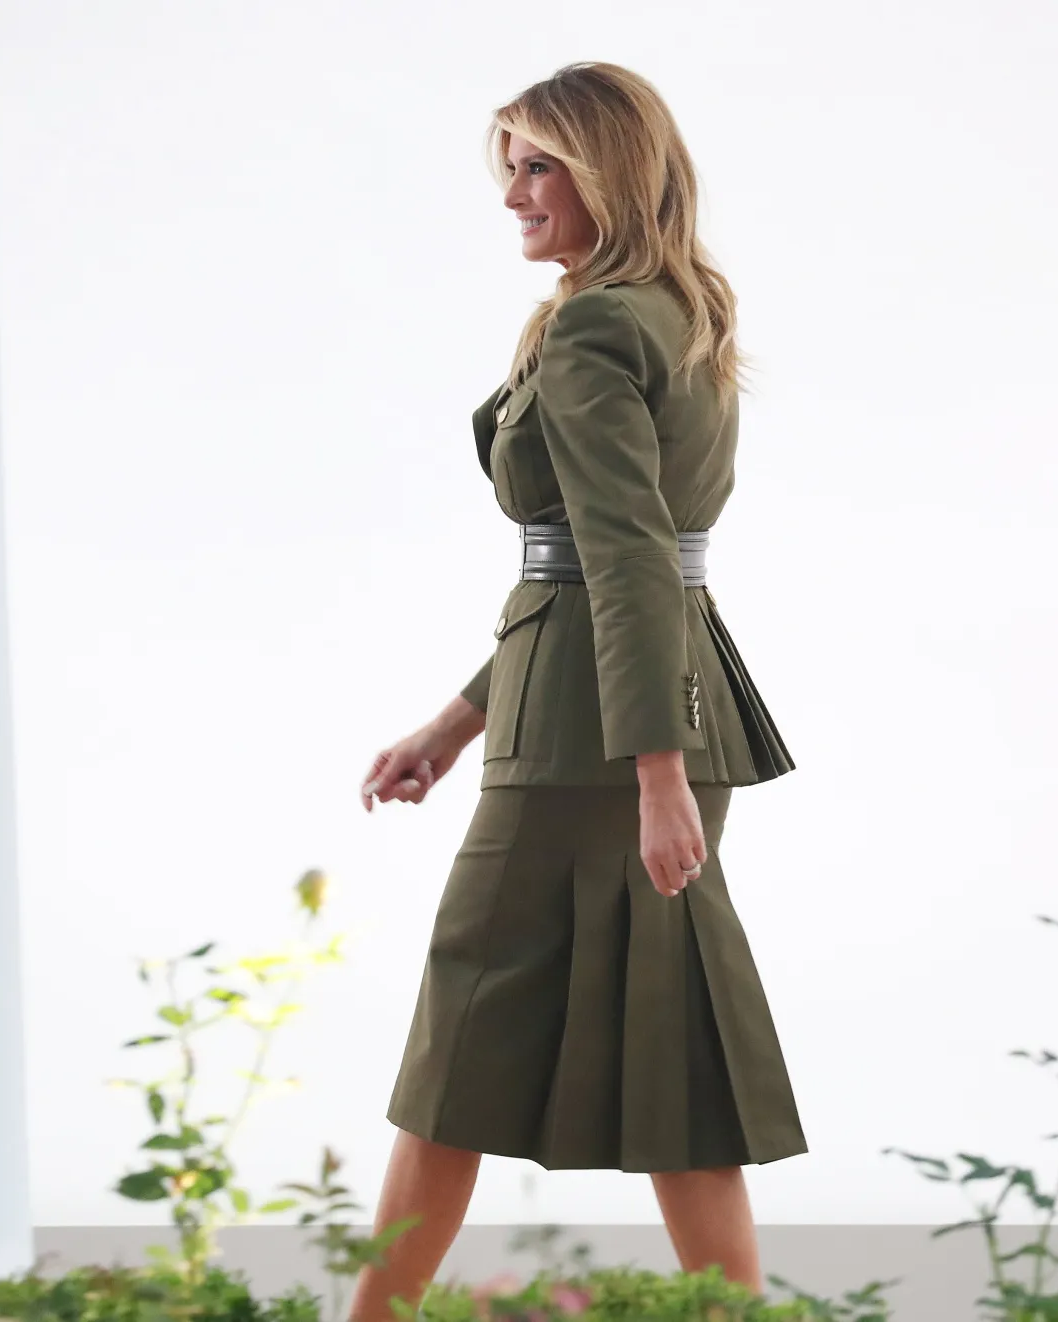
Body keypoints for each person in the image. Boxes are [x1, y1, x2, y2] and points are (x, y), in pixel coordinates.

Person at [348, 61, 806, 1322]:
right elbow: (614, 570)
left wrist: (655, 780)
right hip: (646, 709)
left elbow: (618, 560)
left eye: (539, 163)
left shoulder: (600, 324)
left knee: (461, 1024)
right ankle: (729, 1314)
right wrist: (451, 723)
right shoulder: (679, 313)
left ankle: (369, 1318)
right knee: (668, 1034)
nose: (512, 192)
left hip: (598, 743)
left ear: (610, 169)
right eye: (508, 163)